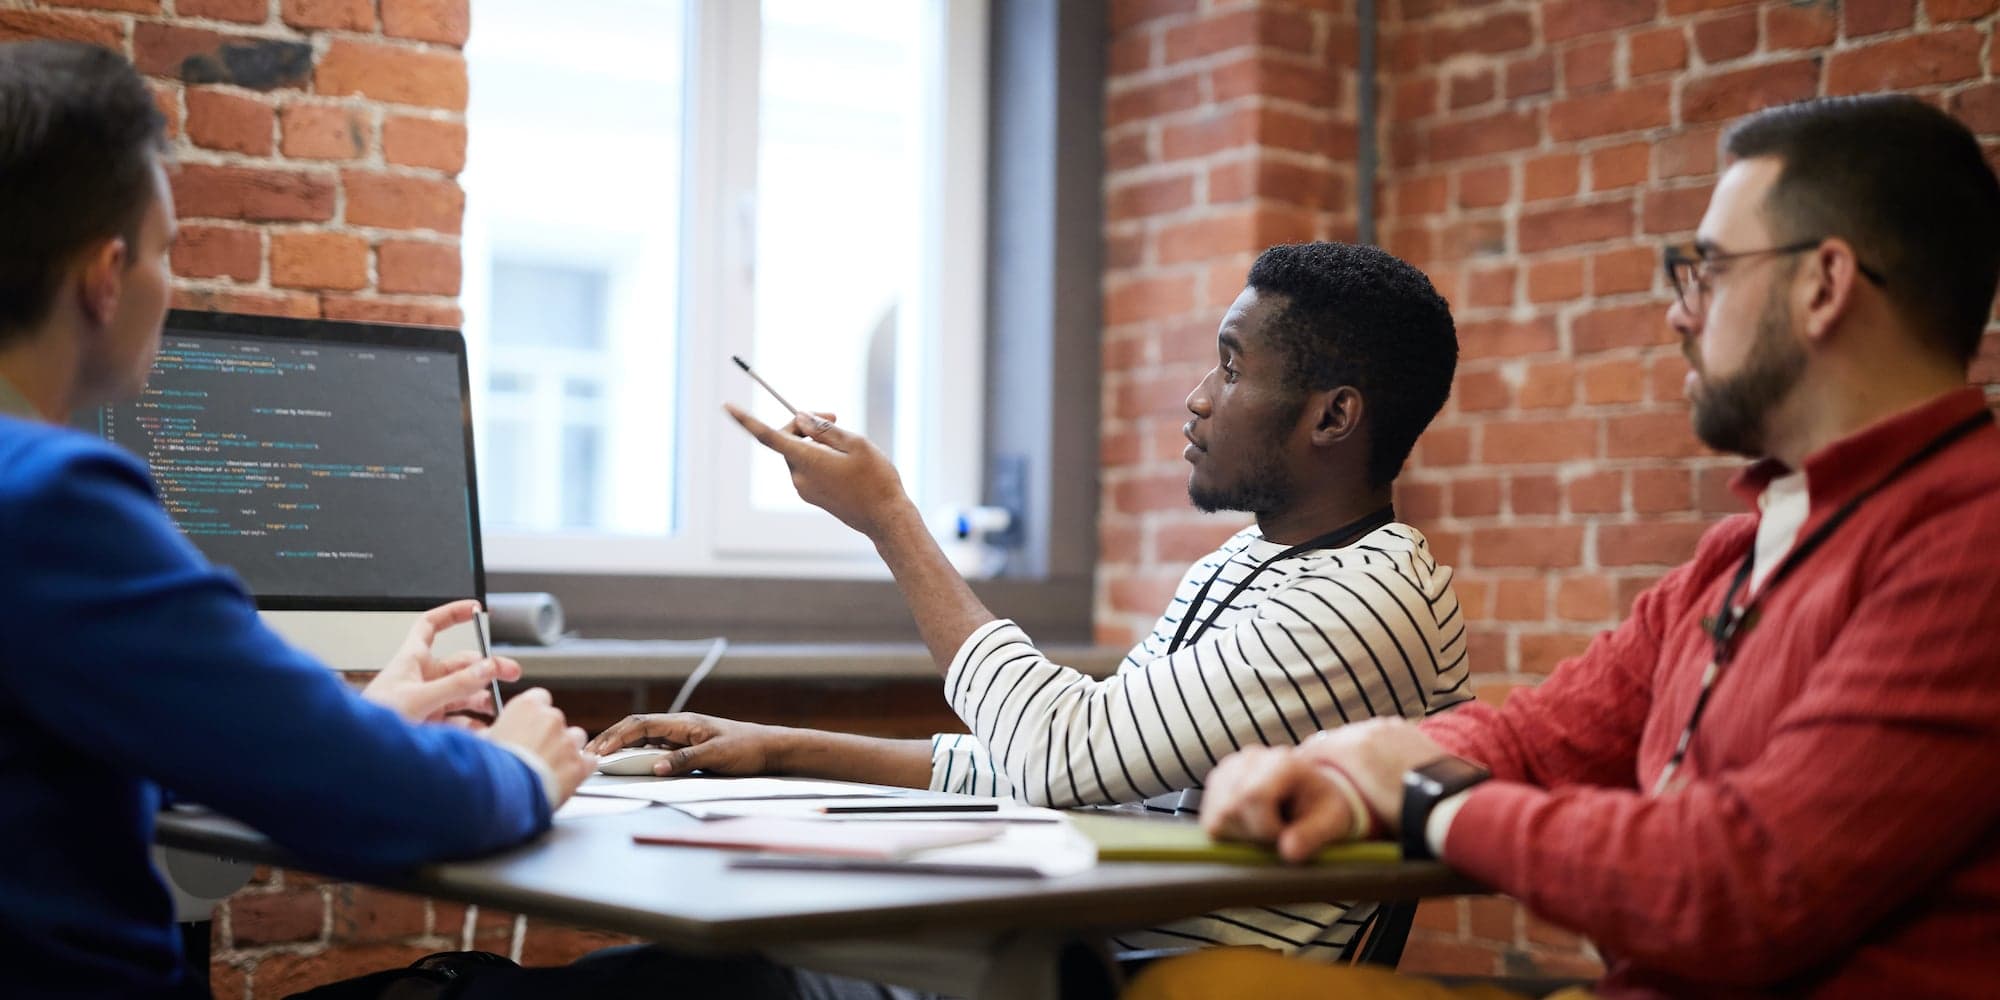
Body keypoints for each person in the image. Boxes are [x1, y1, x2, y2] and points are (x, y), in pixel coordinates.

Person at [1129, 94, 2000, 999]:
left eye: (1707, 270)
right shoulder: (1740, 555)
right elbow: (1538, 738)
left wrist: (1427, 798)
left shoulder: (1970, 547)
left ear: (1823, 285)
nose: (1680, 314)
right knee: (1200, 989)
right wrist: (1350, 770)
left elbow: (1738, 884)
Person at [589, 240, 1467, 966]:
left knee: (705, 972)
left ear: (1333, 418)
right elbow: (1082, 774)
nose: (1198, 397)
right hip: (1073, 955)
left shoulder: (1363, 597)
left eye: (1233, 369)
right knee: (677, 969)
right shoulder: (1249, 561)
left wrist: (889, 519)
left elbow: (1060, 757)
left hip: (1133, 980)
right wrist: (775, 750)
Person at [0, 41, 595, 998]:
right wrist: (522, 771)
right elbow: (370, 801)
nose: (168, 288)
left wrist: (349, 726)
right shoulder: (54, 498)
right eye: (167, 254)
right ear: (106, 276)